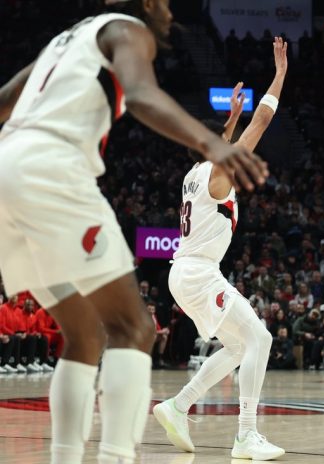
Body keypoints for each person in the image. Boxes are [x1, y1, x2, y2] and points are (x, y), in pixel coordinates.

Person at [0, 1, 267, 463]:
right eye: (164, 3)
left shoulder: (68, 39)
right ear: (146, 3)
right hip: (52, 169)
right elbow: (142, 96)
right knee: (134, 328)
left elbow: (5, 98)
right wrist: (212, 142)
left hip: (9, 168)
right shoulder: (128, 30)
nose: (169, 14)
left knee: (84, 334)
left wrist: (224, 129)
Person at [152, 37, 287, 461]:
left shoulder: (195, 171)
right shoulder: (218, 170)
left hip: (186, 272)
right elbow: (261, 122)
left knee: (239, 346)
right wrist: (280, 74)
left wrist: (229, 119)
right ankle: (246, 435)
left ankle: (178, 406)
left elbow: (211, 143)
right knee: (260, 338)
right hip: (197, 272)